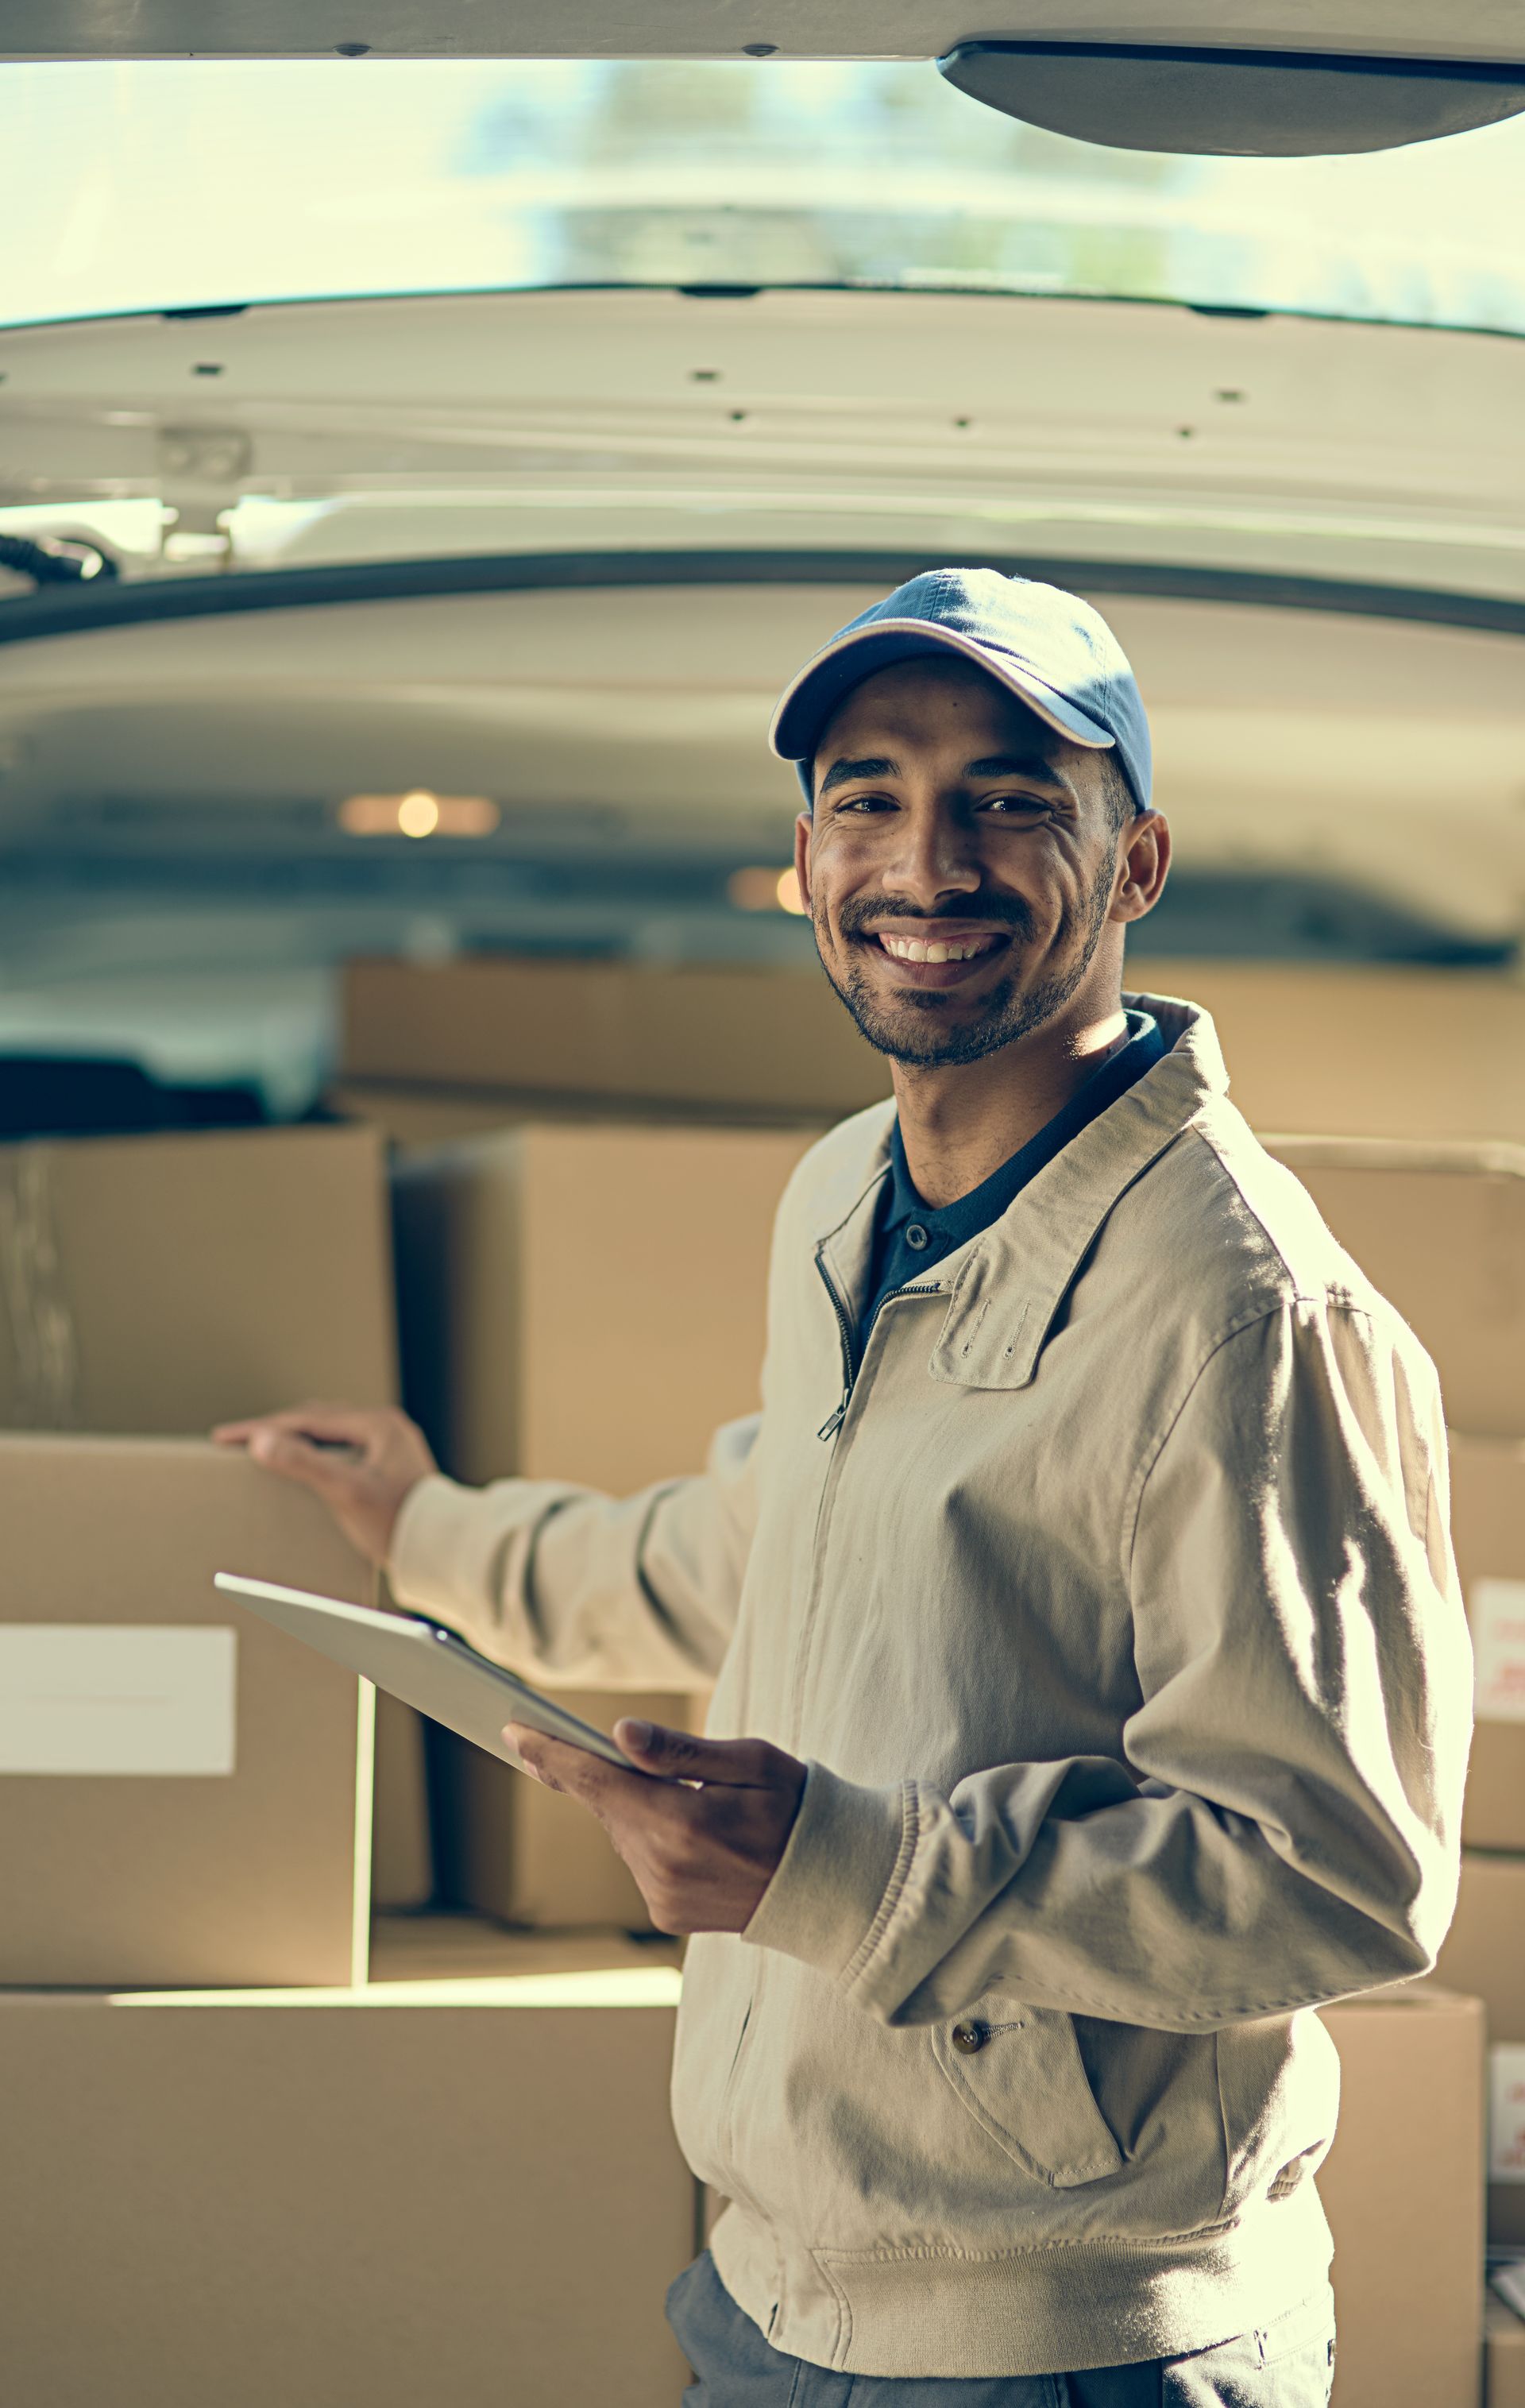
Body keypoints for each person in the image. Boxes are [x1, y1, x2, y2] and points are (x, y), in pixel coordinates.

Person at [217, 569, 1471, 2406]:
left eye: (1012, 801)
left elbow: (1336, 1876)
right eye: (870, 795)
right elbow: (766, 1544)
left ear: (1136, 864)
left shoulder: (1246, 1309)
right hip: (770, 2290)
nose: (928, 862)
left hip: (1069, 2343)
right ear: (805, 856)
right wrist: (428, 1530)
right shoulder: (844, 1192)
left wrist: (843, 1864)